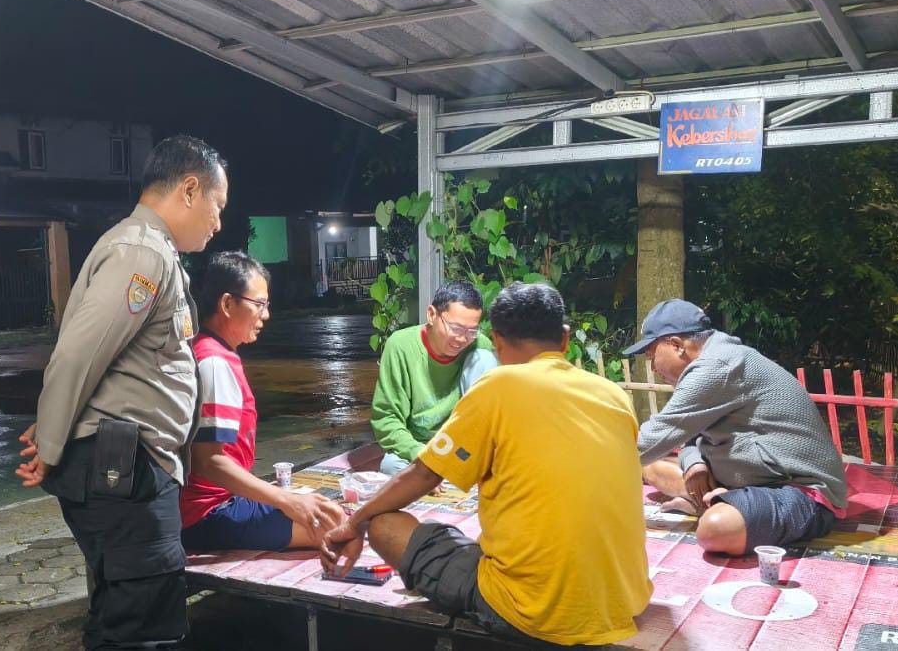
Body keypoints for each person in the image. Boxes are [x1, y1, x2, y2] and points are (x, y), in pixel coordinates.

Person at [322, 283, 651, 647]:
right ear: (564, 338)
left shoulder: (497, 386)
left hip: (531, 609)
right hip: (624, 601)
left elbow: (425, 473)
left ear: (495, 340)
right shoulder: (614, 395)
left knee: (385, 525)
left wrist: (354, 522)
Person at [15, 135, 227, 650]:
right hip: (126, 474)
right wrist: (50, 444)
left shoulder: (150, 250)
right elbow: (78, 354)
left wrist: (55, 427)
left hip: (128, 469)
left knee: (123, 620)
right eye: (217, 207)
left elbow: (111, 364)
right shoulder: (141, 252)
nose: (218, 223)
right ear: (190, 190)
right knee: (144, 627)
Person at [625, 299, 848, 556]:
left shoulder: (716, 366)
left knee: (715, 529)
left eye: (652, 356)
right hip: (750, 475)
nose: (653, 368)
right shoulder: (717, 358)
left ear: (676, 345)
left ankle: (718, 505)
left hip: (800, 490)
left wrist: (588, 470)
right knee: (650, 467)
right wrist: (695, 462)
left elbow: (649, 441)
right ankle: (722, 499)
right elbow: (689, 435)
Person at [179, 252, 343, 552]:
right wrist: (286, 499)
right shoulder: (214, 362)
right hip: (208, 513)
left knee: (327, 511)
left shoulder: (212, 351)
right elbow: (209, 462)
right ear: (227, 304)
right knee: (336, 528)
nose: (266, 315)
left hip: (220, 502)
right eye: (259, 304)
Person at [370, 280, 498, 474]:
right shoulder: (400, 346)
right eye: (455, 328)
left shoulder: (479, 345)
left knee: (485, 357)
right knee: (391, 466)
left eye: (471, 331)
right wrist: (420, 453)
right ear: (431, 315)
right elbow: (386, 417)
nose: (462, 338)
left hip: (463, 446)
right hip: (420, 445)